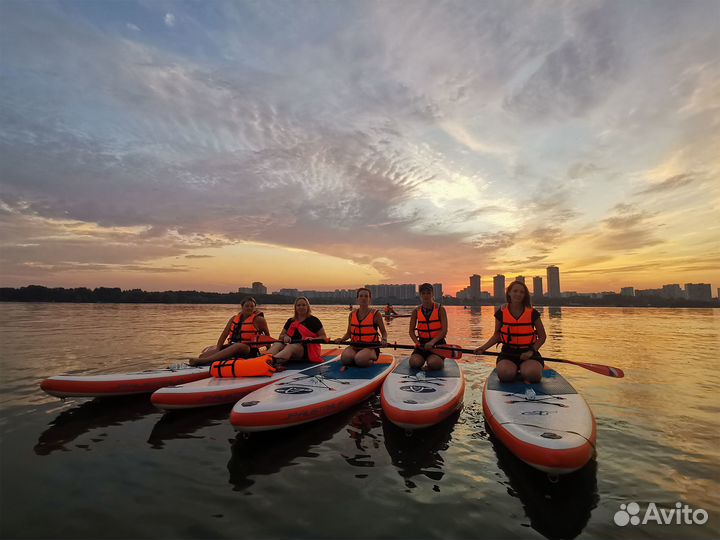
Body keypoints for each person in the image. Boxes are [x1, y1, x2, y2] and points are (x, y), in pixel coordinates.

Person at [474, 280, 547, 383]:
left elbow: (542, 336)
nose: (518, 294)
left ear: (525, 295)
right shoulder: (501, 312)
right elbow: (497, 335)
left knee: (533, 375)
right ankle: (516, 372)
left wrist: (531, 351)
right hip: (508, 353)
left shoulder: (532, 313)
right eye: (515, 291)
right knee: (505, 375)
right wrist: (483, 348)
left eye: (522, 292)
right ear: (509, 292)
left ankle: (526, 371)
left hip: (529, 353)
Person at [190, 297, 270, 366]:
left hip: (248, 350)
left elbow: (268, 337)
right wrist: (218, 348)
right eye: (247, 306)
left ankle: (206, 361)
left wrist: (269, 353)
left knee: (239, 345)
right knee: (203, 355)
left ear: (255, 308)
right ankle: (204, 359)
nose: (249, 308)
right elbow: (224, 335)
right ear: (242, 307)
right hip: (232, 346)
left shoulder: (259, 320)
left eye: (252, 306)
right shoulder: (234, 319)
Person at [265, 297, 328, 366]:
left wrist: (313, 339)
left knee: (291, 346)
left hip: (306, 351)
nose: (301, 307)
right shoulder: (290, 321)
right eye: (298, 305)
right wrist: (285, 337)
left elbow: (323, 337)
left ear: (308, 307)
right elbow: (281, 336)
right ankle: (264, 359)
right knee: (277, 344)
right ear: (295, 308)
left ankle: (271, 362)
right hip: (290, 349)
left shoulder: (314, 320)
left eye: (304, 305)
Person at [334, 288, 388, 367]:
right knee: (345, 359)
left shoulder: (376, 314)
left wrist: (384, 339)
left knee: (359, 360)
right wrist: (341, 339)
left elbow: (384, 332)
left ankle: (371, 358)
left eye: (366, 296)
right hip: (355, 345)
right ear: (357, 299)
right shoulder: (352, 314)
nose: (363, 298)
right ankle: (358, 357)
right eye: (361, 296)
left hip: (371, 347)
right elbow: (349, 334)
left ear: (370, 299)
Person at [408, 283, 449, 371]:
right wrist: (417, 343)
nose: (426, 295)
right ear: (420, 295)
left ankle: (434, 361)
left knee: (434, 363)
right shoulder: (416, 311)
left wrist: (432, 342)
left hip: (438, 344)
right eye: (423, 293)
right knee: (414, 363)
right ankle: (423, 360)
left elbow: (444, 330)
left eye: (428, 293)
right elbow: (411, 331)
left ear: (432, 294)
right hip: (422, 344)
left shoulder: (440, 309)